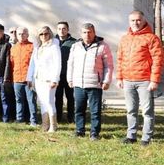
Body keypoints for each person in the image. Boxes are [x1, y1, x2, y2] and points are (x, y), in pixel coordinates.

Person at [117, 10, 163, 146]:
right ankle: (131, 136)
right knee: (131, 110)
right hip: (128, 80)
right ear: (129, 22)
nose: (135, 23)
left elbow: (158, 60)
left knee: (147, 111)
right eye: (132, 20)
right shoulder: (124, 39)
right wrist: (119, 78)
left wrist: (154, 80)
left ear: (143, 20)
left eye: (138, 20)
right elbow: (120, 59)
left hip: (145, 81)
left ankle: (146, 138)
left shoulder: (152, 38)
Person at [67, 23, 114, 140]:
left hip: (95, 84)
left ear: (94, 32)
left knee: (95, 111)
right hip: (79, 84)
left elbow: (109, 66)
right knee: (78, 109)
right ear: (81, 34)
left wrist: (106, 81)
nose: (87, 35)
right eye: (84, 32)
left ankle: (94, 133)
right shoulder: (75, 46)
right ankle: (79, 130)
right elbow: (70, 64)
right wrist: (70, 79)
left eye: (89, 32)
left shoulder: (103, 46)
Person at [27, 26, 61, 133]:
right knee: (42, 102)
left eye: (46, 34)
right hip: (38, 79)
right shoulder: (37, 47)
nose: (43, 36)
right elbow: (33, 64)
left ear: (50, 34)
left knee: (49, 102)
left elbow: (58, 64)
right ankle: (45, 124)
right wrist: (30, 78)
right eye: (41, 34)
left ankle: (53, 125)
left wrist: (55, 79)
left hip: (49, 79)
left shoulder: (54, 46)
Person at [10, 27, 37, 126]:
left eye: (24, 33)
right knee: (19, 100)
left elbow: (35, 63)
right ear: (17, 35)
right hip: (17, 78)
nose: (21, 36)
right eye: (19, 34)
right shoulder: (13, 48)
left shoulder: (32, 47)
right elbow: (12, 63)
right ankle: (20, 119)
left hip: (29, 79)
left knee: (31, 100)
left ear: (27, 35)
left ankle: (33, 120)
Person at [55, 21, 77, 123]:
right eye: (59, 28)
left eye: (64, 28)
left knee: (70, 97)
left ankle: (71, 117)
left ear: (68, 30)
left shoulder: (74, 42)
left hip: (69, 75)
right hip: (57, 75)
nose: (61, 31)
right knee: (58, 97)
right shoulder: (53, 41)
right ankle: (58, 117)